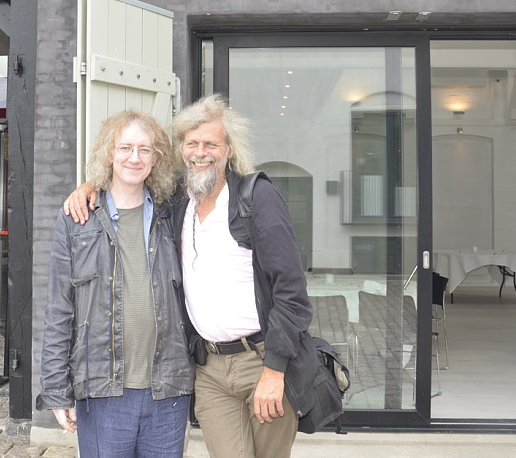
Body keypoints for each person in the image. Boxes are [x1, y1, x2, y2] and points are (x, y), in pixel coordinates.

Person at [65, 95, 313, 458]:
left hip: (261, 360)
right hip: (209, 370)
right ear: (181, 149)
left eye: (211, 144)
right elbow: (127, 183)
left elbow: (291, 291)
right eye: (192, 143)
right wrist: (91, 187)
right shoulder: (178, 201)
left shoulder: (256, 197)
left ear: (229, 150)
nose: (200, 153)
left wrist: (275, 370)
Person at [39, 110, 195, 458]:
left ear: (156, 158)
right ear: (109, 153)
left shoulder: (174, 213)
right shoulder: (77, 219)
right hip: (103, 391)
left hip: (168, 391)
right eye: (125, 148)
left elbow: (209, 178)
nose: (134, 158)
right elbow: (59, 309)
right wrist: (56, 389)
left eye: (144, 149)